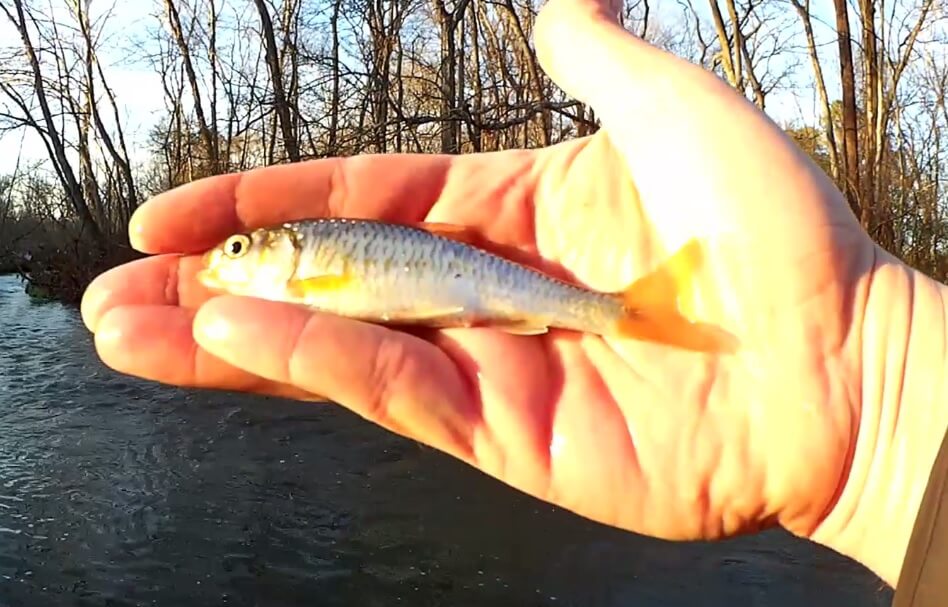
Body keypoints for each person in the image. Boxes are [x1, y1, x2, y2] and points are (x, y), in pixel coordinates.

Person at [79, 0, 947, 604]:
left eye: (237, 250)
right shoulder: (301, 268)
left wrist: (873, 398)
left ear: (282, 253)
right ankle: (623, 312)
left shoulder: (309, 263)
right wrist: (879, 413)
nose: (230, 260)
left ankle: (623, 310)